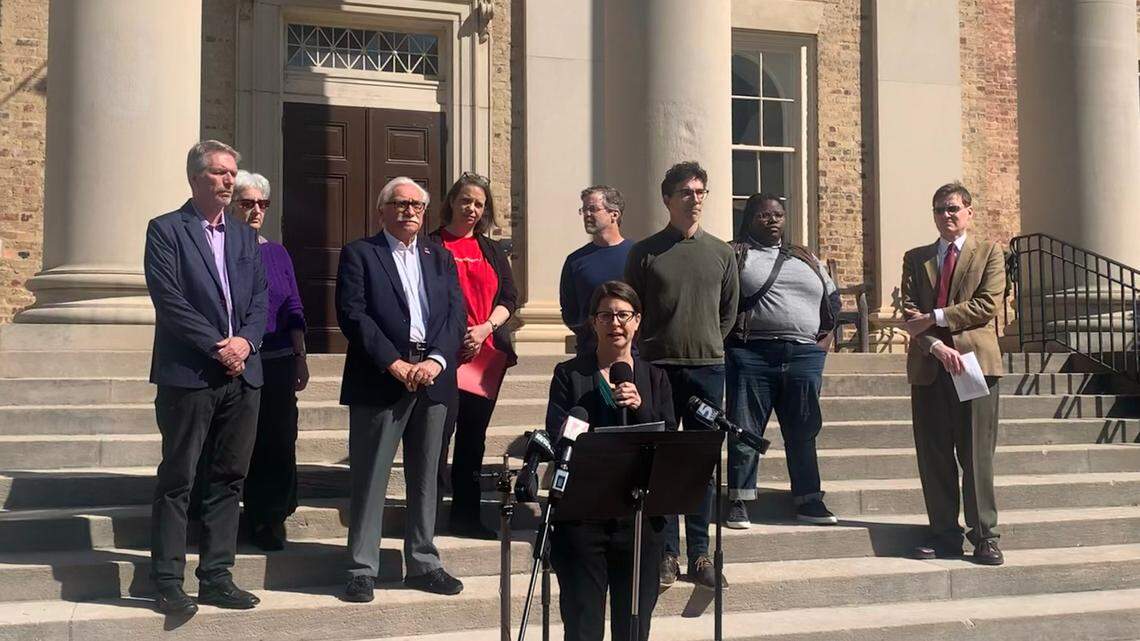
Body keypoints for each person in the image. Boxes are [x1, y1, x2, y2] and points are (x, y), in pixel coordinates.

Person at [143, 140, 267, 615]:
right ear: (196, 178)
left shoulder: (241, 236)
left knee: (228, 478)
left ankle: (217, 575)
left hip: (242, 375)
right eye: (219, 173)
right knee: (179, 478)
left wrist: (246, 344)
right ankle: (167, 580)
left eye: (232, 172)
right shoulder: (166, 231)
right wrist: (219, 344)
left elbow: (259, 298)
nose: (228, 180)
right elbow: (169, 299)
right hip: (190, 375)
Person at [337, 176, 467, 603]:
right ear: (382, 210)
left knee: (427, 476)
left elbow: (454, 316)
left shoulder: (440, 258)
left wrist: (436, 361)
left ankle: (424, 561)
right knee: (371, 475)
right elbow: (353, 315)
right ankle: (361, 567)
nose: (409, 210)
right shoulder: (361, 253)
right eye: (399, 203)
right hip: (380, 376)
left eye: (416, 204)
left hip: (433, 377)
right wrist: (394, 363)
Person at [624, 161, 739, 589]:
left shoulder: (721, 253)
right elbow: (634, 310)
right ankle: (666, 553)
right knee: (661, 463)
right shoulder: (646, 252)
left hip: (707, 368)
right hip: (659, 369)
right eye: (686, 192)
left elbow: (728, 313)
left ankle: (701, 553)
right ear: (667, 199)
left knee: (700, 465)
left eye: (700, 191)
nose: (695, 199)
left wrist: (707, 341)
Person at [545, 280, 675, 641]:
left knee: (633, 627)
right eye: (606, 315)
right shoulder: (570, 375)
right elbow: (559, 435)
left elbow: (667, 442)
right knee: (583, 623)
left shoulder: (656, 378)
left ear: (637, 321)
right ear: (593, 323)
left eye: (623, 315)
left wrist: (640, 406)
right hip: (583, 518)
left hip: (638, 520)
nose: (615, 323)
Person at [901, 181, 1006, 566]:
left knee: (976, 455)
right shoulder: (917, 258)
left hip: (974, 366)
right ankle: (944, 534)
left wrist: (938, 317)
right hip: (931, 365)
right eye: (939, 209)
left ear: (968, 212)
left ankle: (985, 537)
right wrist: (935, 343)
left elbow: (986, 305)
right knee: (934, 456)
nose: (946, 215)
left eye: (953, 209)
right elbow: (910, 312)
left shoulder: (990, 254)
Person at [723, 194, 841, 529]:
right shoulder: (735, 254)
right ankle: (740, 499)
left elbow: (832, 301)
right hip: (752, 354)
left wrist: (821, 346)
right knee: (745, 430)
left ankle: (809, 499)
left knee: (803, 430)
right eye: (763, 215)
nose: (773, 220)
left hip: (804, 355)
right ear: (749, 219)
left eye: (778, 214)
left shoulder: (805, 256)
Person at [428, 172, 518, 540]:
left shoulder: (491, 249)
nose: (472, 209)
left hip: (485, 357)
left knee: (472, 438)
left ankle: (466, 515)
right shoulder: (430, 244)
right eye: (466, 200)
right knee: (437, 436)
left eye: (479, 204)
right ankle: (428, 514)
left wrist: (484, 330)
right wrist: (453, 338)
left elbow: (509, 299)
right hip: (441, 357)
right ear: (451, 202)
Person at [229, 170, 308, 551]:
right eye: (248, 203)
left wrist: (300, 355)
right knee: (235, 441)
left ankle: (270, 516)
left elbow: (292, 305)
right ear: (231, 205)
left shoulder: (276, 252)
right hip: (233, 360)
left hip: (276, 359)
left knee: (277, 439)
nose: (257, 210)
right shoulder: (220, 250)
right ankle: (225, 515)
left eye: (263, 204)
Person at [559, 185, 633, 354]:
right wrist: (589, 332)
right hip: (590, 353)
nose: (587, 215)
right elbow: (569, 310)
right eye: (584, 210)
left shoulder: (637, 255)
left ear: (614, 214)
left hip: (632, 355)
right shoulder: (575, 261)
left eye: (592, 209)